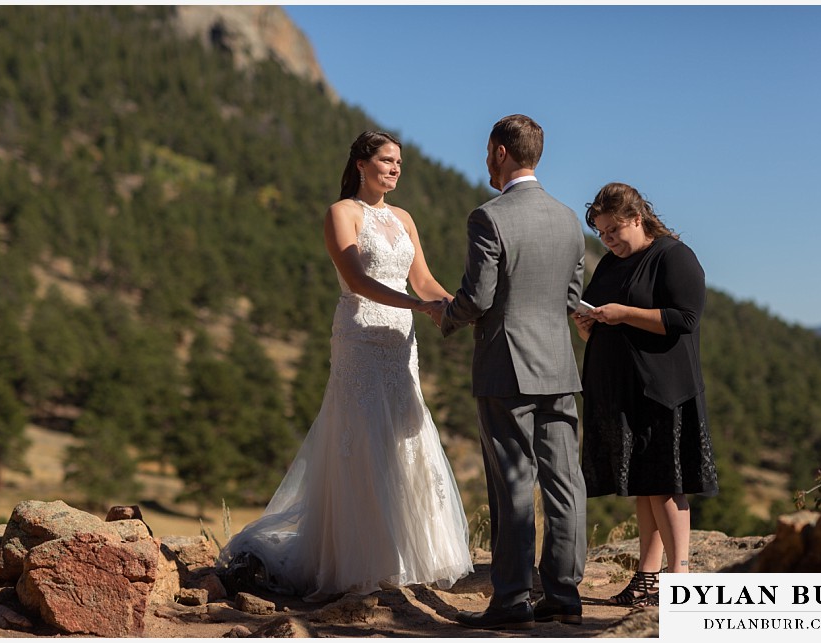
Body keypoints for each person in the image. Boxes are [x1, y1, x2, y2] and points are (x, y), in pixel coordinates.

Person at [217, 131, 473, 602]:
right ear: (361, 163)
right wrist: (418, 306)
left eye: (400, 162)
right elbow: (356, 279)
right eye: (386, 160)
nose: (395, 169)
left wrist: (460, 305)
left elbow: (423, 278)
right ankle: (358, 562)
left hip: (401, 342)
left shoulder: (404, 218)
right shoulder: (341, 213)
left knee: (404, 434)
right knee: (362, 433)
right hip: (360, 335)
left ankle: (403, 557)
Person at [434, 114, 588, 630]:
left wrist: (447, 316)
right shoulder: (569, 219)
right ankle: (565, 594)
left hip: (506, 366)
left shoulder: (489, 217)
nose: (485, 160)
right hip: (560, 366)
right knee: (565, 482)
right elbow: (571, 296)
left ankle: (511, 600)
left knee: (512, 484)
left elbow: (477, 297)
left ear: (500, 152)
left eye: (487, 151)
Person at [571, 181, 719, 606]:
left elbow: (685, 318)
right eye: (601, 233)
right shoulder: (611, 265)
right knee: (643, 484)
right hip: (624, 391)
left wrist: (623, 314)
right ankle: (647, 578)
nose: (608, 239)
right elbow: (604, 319)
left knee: (666, 483)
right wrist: (589, 327)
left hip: (663, 390)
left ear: (638, 218)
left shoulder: (674, 256)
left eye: (614, 229)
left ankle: (680, 582)